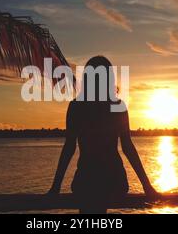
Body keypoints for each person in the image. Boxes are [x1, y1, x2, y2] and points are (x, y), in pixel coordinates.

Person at [48, 56, 159, 214]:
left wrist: (56, 187)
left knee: (89, 201)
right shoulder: (116, 107)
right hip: (112, 179)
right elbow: (127, 147)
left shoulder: (77, 107)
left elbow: (69, 147)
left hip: (88, 180)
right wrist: (147, 186)